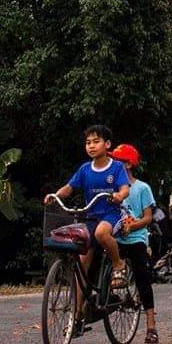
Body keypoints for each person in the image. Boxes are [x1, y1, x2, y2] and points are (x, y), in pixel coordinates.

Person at [44, 122, 129, 293]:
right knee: (82, 263)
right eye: (88, 142)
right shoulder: (84, 169)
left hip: (111, 214)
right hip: (90, 217)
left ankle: (118, 264)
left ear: (107, 144)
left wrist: (119, 195)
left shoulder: (116, 167)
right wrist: (55, 196)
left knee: (101, 233)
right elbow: (69, 188)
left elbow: (124, 188)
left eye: (96, 141)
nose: (91, 146)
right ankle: (77, 314)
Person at [112, 143, 159, 344]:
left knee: (142, 277)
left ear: (128, 164)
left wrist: (132, 226)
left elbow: (148, 217)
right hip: (116, 237)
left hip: (136, 237)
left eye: (118, 161)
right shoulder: (112, 188)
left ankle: (151, 324)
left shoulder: (142, 188)